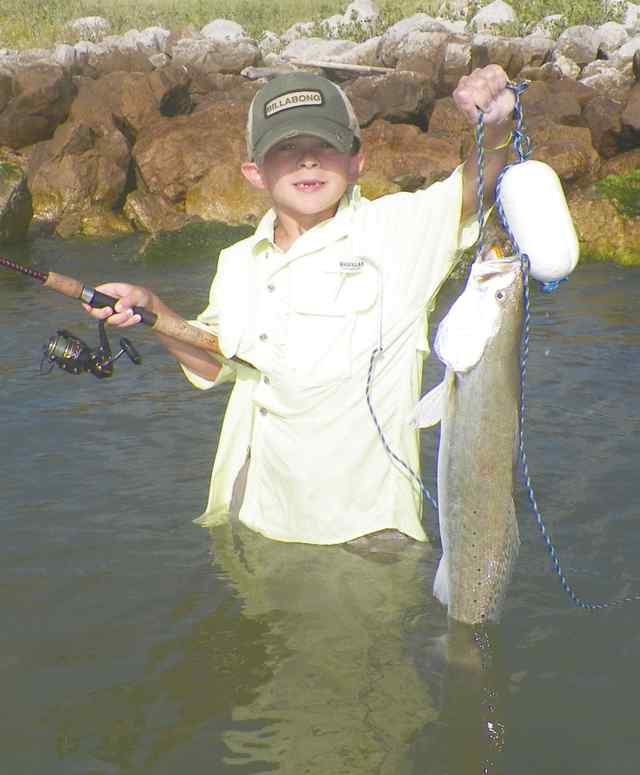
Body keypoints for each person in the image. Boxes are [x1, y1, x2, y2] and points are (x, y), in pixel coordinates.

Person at [85, 64, 516, 546]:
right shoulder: (238, 261)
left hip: (364, 538)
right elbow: (216, 364)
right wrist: (151, 308)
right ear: (254, 172)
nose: (308, 161)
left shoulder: (396, 231)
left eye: (325, 145)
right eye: (286, 148)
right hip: (253, 521)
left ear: (356, 162)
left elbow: (475, 186)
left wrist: (495, 126)